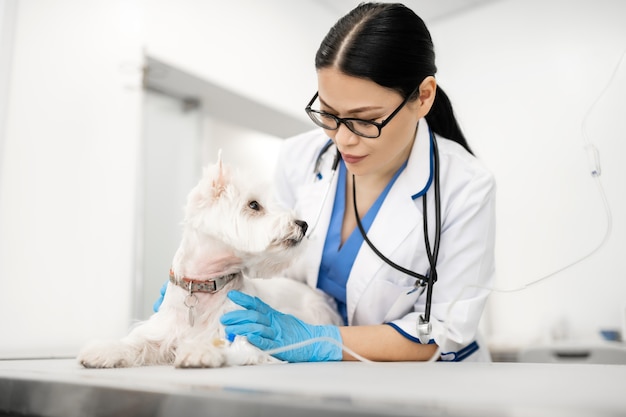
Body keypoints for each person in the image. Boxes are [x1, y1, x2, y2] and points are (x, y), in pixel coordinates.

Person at [158, 2, 496, 362]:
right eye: (329, 115)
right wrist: (201, 289)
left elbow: (445, 331)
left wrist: (322, 339)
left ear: (423, 97)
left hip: (424, 384)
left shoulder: (466, 188)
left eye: (366, 120)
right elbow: (272, 265)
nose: (343, 139)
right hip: (309, 375)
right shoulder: (300, 157)